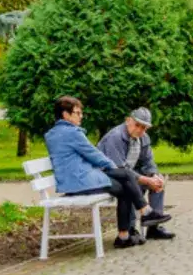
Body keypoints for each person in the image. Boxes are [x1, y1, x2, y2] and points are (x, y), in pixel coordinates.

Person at [44, 96, 170, 249]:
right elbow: (94, 155)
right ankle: (145, 212)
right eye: (77, 113)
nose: (81, 116)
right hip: (79, 182)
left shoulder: (56, 133)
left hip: (75, 180)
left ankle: (124, 236)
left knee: (126, 183)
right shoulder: (72, 133)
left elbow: (87, 156)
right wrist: (116, 169)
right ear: (65, 115)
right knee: (126, 176)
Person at [96, 107, 175, 240]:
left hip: (127, 175)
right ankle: (131, 229)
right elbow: (119, 170)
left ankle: (153, 227)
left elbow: (148, 162)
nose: (140, 130)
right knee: (132, 185)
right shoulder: (115, 137)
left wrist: (154, 176)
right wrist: (145, 180)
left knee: (157, 182)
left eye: (144, 128)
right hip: (108, 177)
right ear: (128, 121)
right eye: (137, 125)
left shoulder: (143, 138)